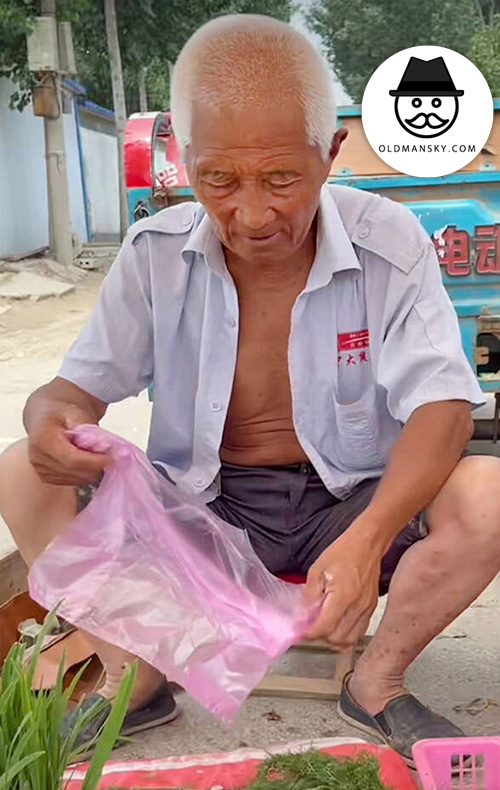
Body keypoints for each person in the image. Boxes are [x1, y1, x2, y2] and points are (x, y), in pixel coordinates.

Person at [1, 14, 500, 766]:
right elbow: (73, 390)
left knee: (489, 495)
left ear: (330, 154)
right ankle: (132, 675)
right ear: (186, 161)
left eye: (281, 179)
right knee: (18, 468)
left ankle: (376, 682)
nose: (253, 213)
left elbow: (445, 406)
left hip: (351, 502)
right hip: (208, 511)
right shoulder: (154, 255)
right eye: (221, 181)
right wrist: (51, 421)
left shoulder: (388, 240)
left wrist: (366, 542)